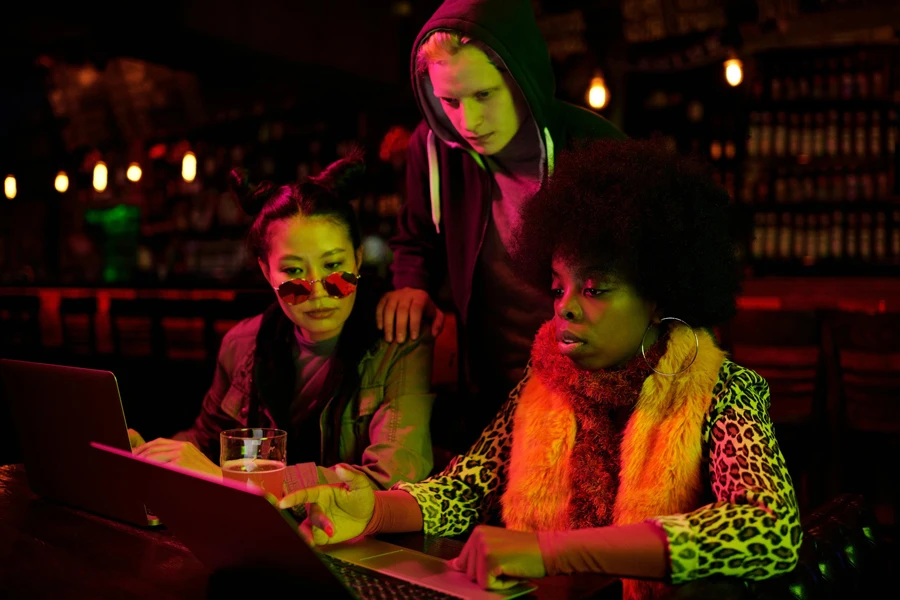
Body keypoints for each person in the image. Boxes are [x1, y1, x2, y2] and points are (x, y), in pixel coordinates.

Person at [279, 140, 802, 599]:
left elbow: (771, 530)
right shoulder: (546, 379)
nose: (565, 308)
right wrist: (370, 510)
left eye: (594, 289)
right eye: (558, 287)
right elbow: (465, 489)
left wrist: (552, 552)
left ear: (655, 296)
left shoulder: (721, 389)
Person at [377, 0, 626, 446]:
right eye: (449, 101)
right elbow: (415, 239)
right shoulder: (432, 149)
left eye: (484, 95)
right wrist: (410, 283)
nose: (467, 121)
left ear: (521, 78)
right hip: (488, 398)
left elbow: (651, 277)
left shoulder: (596, 148)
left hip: (593, 396)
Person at [129, 151, 436, 490]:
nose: (318, 292)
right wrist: (151, 454)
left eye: (334, 268)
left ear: (358, 259)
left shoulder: (398, 341)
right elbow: (205, 443)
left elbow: (392, 479)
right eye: (294, 273)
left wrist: (235, 479)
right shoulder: (243, 343)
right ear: (266, 271)